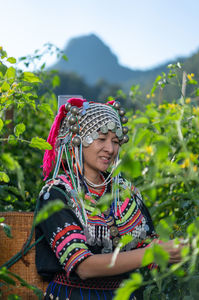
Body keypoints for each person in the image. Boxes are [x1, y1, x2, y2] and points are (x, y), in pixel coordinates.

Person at [35, 98, 182, 300]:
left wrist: (178, 249)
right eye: (101, 139)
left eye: (115, 141)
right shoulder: (57, 194)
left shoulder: (125, 192)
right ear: (78, 139)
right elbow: (83, 266)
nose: (110, 149)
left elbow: (148, 245)